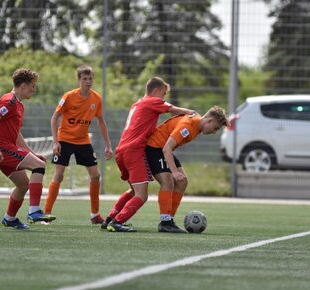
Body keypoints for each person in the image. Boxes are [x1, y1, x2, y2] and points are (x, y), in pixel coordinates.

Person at [100, 76, 194, 232]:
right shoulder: (152, 101)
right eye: (163, 93)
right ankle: (117, 222)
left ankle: (110, 218)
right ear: (156, 90)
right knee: (142, 195)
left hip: (122, 151)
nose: (163, 97)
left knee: (132, 191)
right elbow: (174, 110)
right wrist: (191, 113)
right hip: (134, 151)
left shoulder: (137, 104)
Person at [0, 68, 56, 230]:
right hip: (1, 148)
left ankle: (9, 218)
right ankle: (34, 211)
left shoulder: (19, 105)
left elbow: (16, 135)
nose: (34, 89)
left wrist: (32, 153)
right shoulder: (9, 101)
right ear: (23, 86)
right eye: (32, 85)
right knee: (39, 166)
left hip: (5, 147)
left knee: (24, 185)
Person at [43, 65, 113, 224]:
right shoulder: (68, 96)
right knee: (59, 175)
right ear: (79, 80)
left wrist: (108, 145)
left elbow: (101, 122)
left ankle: (95, 215)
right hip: (65, 139)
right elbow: (54, 118)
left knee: (96, 175)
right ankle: (46, 213)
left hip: (83, 141)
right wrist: (55, 142)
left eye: (90, 79)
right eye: (84, 79)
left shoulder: (96, 99)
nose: (88, 82)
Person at [146, 106, 228, 232]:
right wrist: (174, 172)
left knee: (182, 182)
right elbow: (167, 148)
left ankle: (169, 220)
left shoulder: (196, 123)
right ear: (209, 120)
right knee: (168, 182)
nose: (214, 132)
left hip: (162, 148)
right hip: (154, 148)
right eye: (216, 128)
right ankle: (165, 222)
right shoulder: (188, 126)